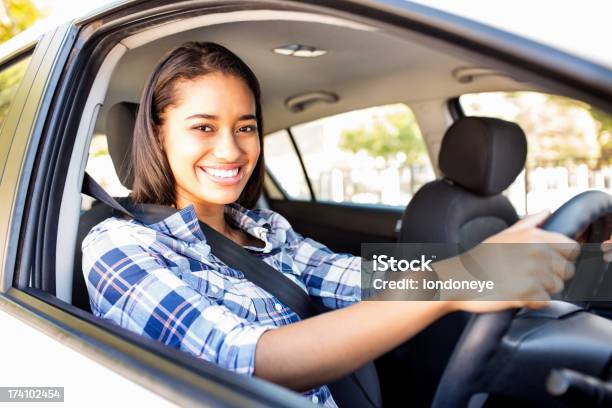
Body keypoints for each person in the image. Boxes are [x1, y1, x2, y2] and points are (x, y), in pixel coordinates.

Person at [81, 42, 608, 407]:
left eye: (245, 126)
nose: (231, 149)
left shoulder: (267, 228)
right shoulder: (119, 245)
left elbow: (356, 276)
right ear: (156, 136)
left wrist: (574, 264)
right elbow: (251, 361)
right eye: (203, 127)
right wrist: (450, 284)